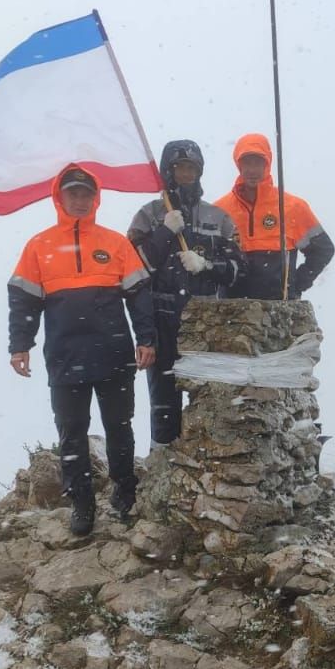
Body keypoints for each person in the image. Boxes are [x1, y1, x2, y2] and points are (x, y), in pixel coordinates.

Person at [8, 165, 156, 535]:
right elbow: (23, 302)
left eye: (85, 194)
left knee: (119, 427)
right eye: (72, 193)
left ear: (96, 198)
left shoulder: (115, 244)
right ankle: (82, 504)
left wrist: (147, 338)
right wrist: (20, 346)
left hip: (114, 354)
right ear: (60, 198)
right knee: (72, 432)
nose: (79, 200)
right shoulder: (39, 246)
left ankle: (125, 492)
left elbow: (139, 295)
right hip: (64, 357)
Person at [127, 140, 245, 446]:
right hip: (162, 319)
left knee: (209, 401)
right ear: (168, 171)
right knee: (164, 404)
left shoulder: (219, 218)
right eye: (180, 167)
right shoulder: (148, 215)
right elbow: (135, 269)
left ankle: (204, 473)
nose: (187, 174)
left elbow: (236, 269)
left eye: (192, 168)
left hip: (207, 323)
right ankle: (164, 470)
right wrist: (165, 232)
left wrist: (206, 265)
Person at [214, 133, 335, 300]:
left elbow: (323, 249)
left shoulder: (292, 207)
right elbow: (211, 257)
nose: (252, 170)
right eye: (247, 163)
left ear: (268, 164)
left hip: (279, 309)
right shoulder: (220, 210)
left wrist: (297, 284)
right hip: (233, 311)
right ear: (238, 165)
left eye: (258, 163)